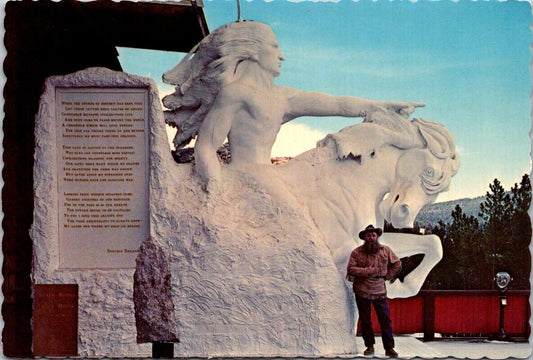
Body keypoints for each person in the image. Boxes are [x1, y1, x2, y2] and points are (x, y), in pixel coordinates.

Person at [162, 21, 423, 188]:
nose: (282, 55)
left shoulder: (283, 97)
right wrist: (215, 188)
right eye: (274, 47)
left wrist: (382, 107)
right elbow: (207, 146)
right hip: (246, 180)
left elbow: (338, 104)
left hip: (270, 177)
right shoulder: (235, 93)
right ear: (253, 51)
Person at [346, 225, 402, 357]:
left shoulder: (386, 250)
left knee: (385, 320)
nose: (371, 238)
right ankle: (369, 346)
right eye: (368, 236)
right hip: (362, 290)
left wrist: (387, 276)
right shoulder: (356, 252)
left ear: (377, 236)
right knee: (365, 320)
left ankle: (389, 348)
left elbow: (397, 264)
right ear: (365, 238)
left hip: (379, 290)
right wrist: (367, 271)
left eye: (373, 235)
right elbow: (351, 269)